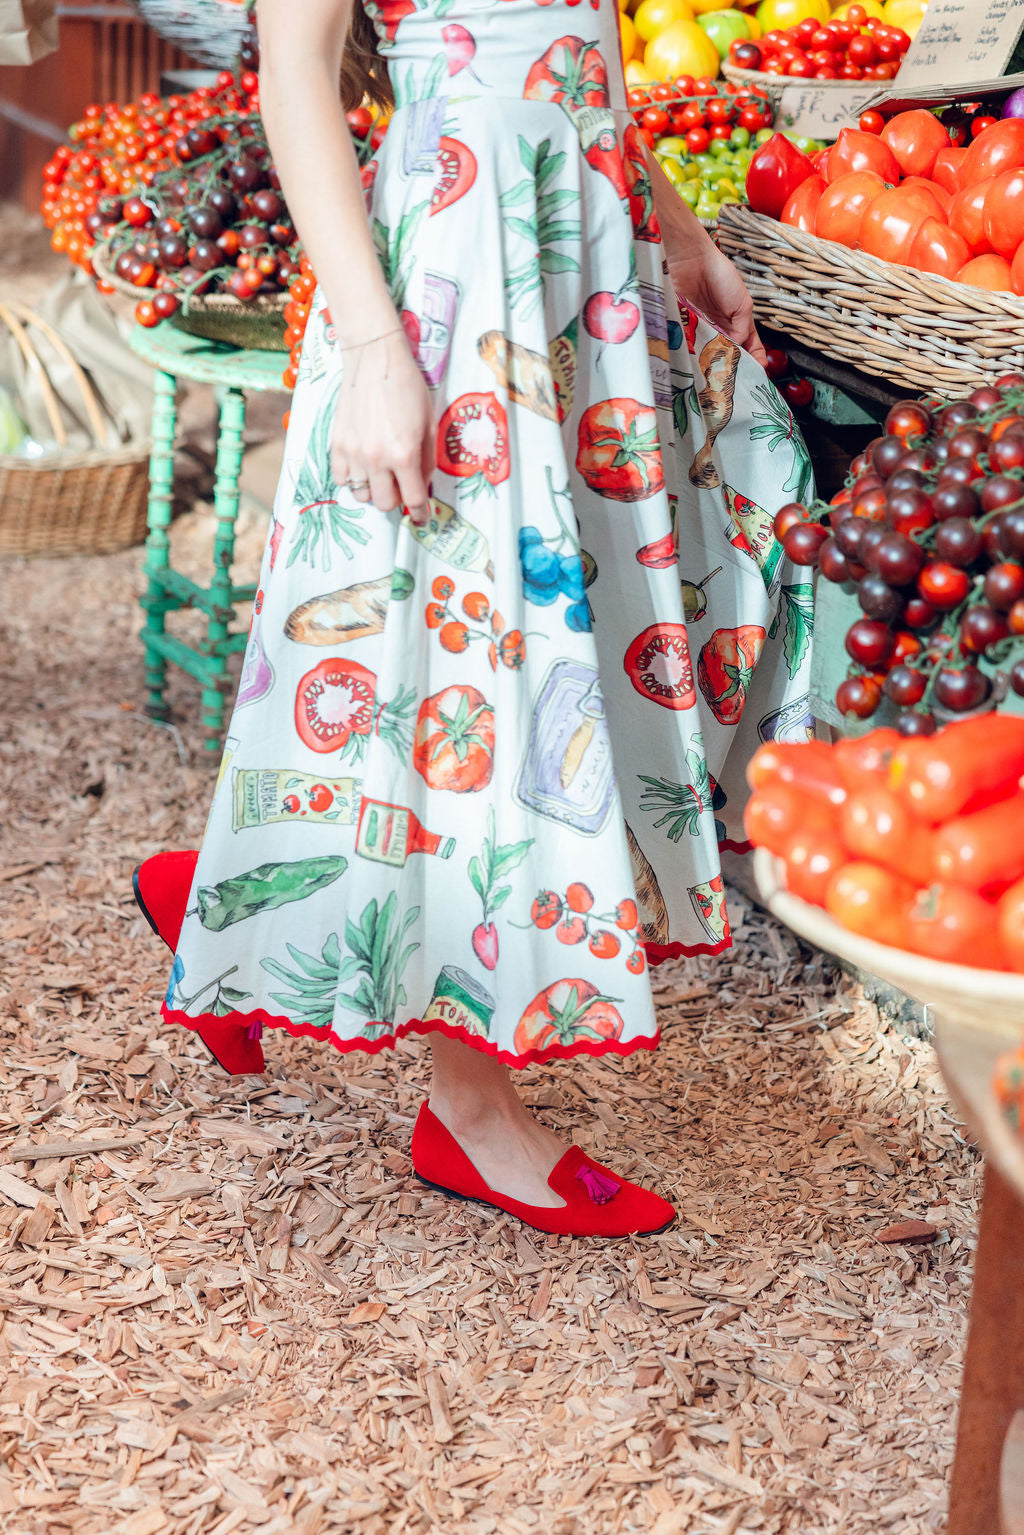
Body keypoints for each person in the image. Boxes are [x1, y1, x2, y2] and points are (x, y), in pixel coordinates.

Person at [134, 0, 815, 1239]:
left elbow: (573, 39)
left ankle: (246, 886)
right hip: (465, 251)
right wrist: (374, 342)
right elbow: (292, 73)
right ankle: (468, 1105)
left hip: (577, 236)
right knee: (480, 645)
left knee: (552, 605)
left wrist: (668, 226)